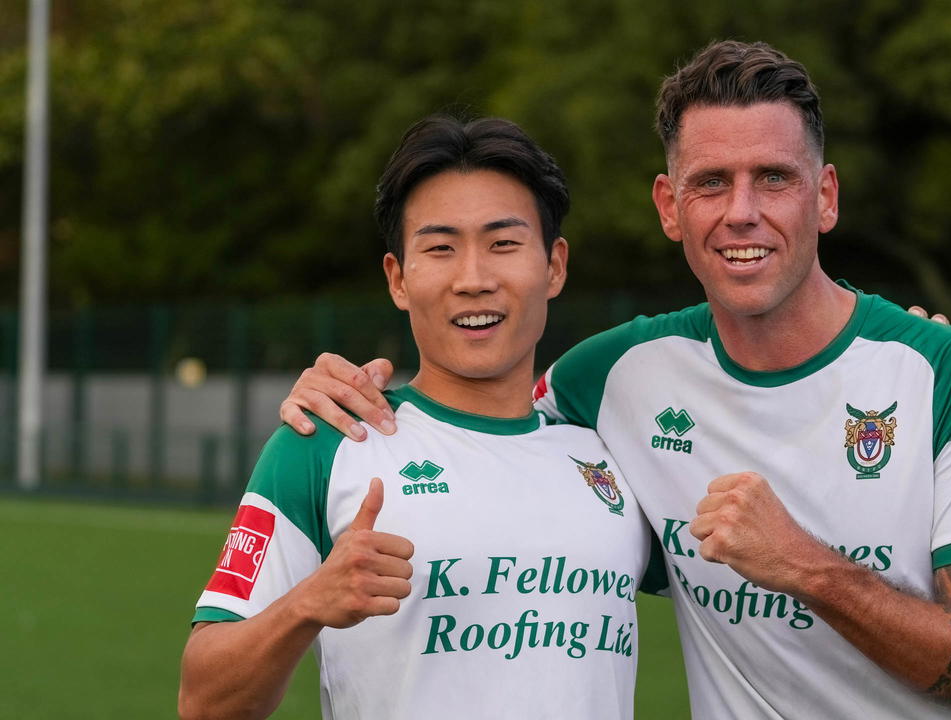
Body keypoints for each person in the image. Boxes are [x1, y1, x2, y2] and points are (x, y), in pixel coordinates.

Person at [282, 41, 951, 720]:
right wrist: (348, 392)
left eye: (774, 178)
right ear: (669, 206)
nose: (742, 212)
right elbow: (484, 415)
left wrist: (801, 564)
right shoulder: (611, 378)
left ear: (825, 197)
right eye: (711, 182)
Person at [179, 116, 661, 720]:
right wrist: (307, 604)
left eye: (503, 244)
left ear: (554, 266)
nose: (473, 279)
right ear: (398, 279)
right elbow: (202, 701)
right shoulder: (326, 441)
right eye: (440, 248)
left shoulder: (615, 453)